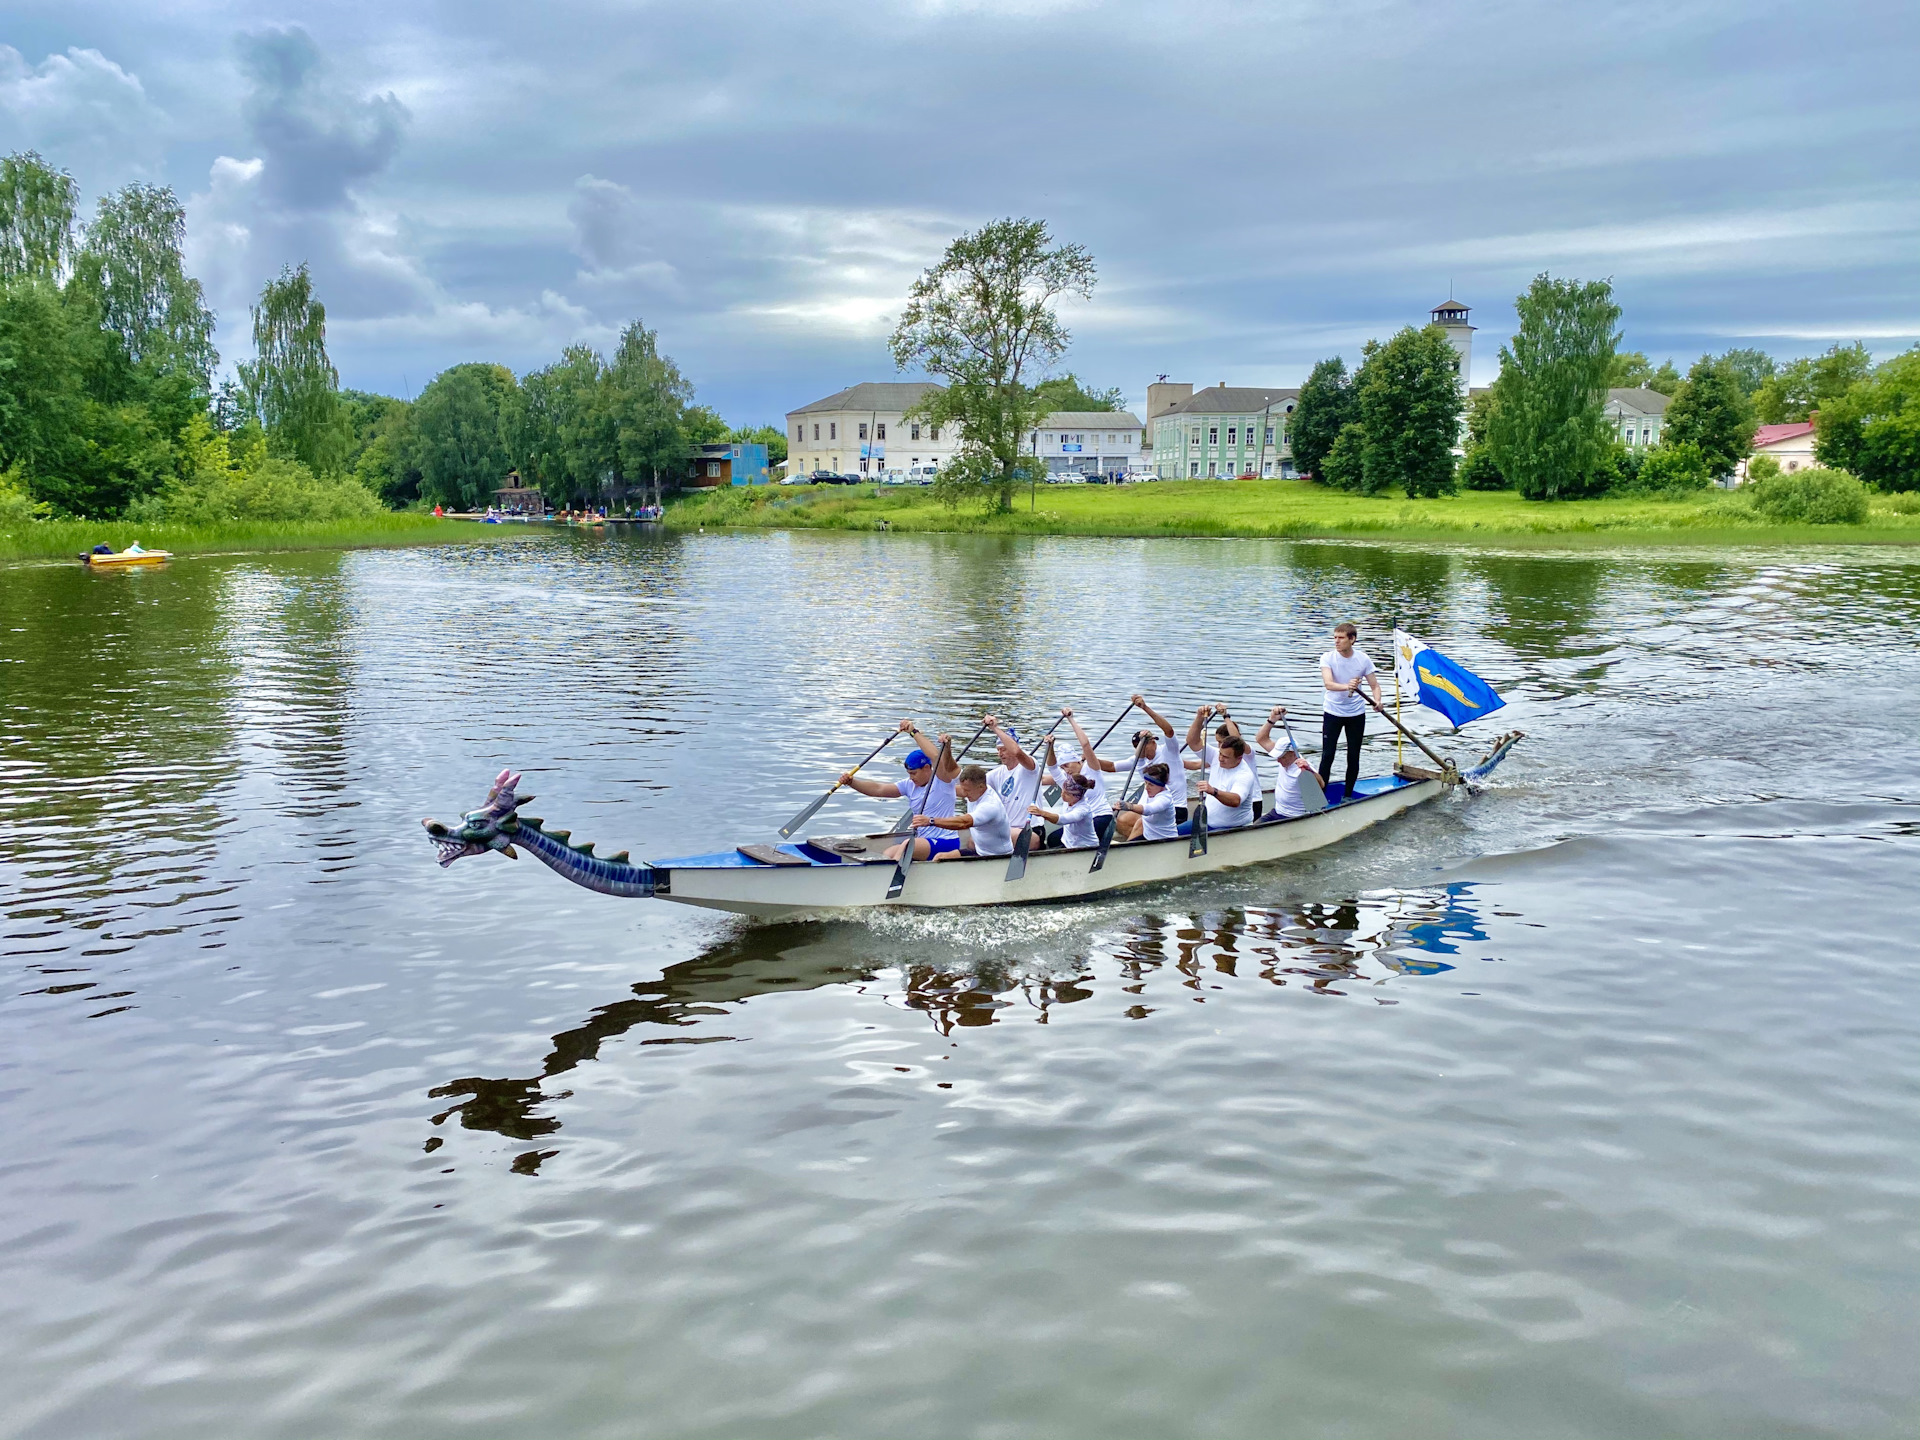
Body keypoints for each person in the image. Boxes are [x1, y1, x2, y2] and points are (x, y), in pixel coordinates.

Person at [836, 719, 960, 862]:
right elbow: (878, 789)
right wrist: (852, 782)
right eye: (909, 773)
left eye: (913, 773)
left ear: (926, 768)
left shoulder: (942, 781)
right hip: (923, 841)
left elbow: (935, 757)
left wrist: (914, 732)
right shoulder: (909, 784)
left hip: (946, 841)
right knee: (888, 852)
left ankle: (891, 877)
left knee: (907, 845)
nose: (911, 777)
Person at [1320, 621, 1383, 799]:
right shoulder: (1328, 657)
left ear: (1352, 639)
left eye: (1341, 638)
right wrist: (1347, 686)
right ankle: (1319, 797)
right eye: (1335, 638)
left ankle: (1347, 796)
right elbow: (1328, 684)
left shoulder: (1362, 659)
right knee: (1327, 755)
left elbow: (1375, 685)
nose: (1336, 641)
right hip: (1332, 712)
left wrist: (1377, 701)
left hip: (1356, 714)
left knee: (1353, 756)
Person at [1186, 704, 1257, 831]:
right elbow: (1193, 742)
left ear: (1239, 758)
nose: (1220, 759)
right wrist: (1199, 717)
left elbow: (1236, 800)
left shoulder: (1244, 775)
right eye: (1220, 753)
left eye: (1225, 757)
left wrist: (1213, 791)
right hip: (1207, 822)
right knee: (1173, 833)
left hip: (1232, 828)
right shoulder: (1215, 756)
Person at [918, 765, 1013, 858]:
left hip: (998, 857)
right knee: (940, 857)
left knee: (943, 858)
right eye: (963, 789)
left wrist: (930, 821)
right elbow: (952, 767)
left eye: (967, 790)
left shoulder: (990, 805)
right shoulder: (976, 790)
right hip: (980, 852)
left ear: (980, 787)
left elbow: (964, 822)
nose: (964, 794)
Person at [982, 714, 1044, 850]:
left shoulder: (1030, 767)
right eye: (998, 750)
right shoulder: (995, 774)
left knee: (990, 838)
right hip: (1008, 830)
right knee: (971, 841)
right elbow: (970, 787)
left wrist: (995, 728)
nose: (1000, 753)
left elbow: (1016, 751)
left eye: (1004, 749)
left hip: (1031, 829)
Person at [1054, 709, 1117, 845]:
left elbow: (1085, 744)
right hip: (1081, 818)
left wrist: (1071, 719)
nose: (1066, 770)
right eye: (1062, 767)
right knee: (1053, 840)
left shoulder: (1091, 767)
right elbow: (1048, 773)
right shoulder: (1068, 777)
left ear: (1077, 760)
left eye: (1067, 765)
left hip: (1100, 815)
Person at [1255, 706, 1319, 819]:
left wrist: (1309, 771)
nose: (1278, 760)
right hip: (1277, 811)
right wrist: (1272, 719)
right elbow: (1261, 739)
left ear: (1292, 753)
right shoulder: (1283, 755)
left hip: (1295, 817)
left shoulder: (1301, 770)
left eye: (1282, 757)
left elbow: (1320, 789)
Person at [1029, 772, 1101, 850]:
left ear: (1077, 796)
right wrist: (1051, 759)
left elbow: (1063, 820)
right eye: (1062, 791)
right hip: (1068, 845)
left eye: (1067, 794)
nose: (1062, 795)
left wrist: (1042, 813)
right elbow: (1053, 769)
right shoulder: (1068, 790)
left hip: (1086, 848)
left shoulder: (1083, 809)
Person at [1113, 761, 1180, 841]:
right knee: (1139, 822)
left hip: (1165, 840)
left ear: (1161, 785)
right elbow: (1140, 763)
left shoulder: (1165, 798)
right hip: (1148, 837)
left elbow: (1149, 809)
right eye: (1146, 783)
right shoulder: (1149, 791)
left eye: (1151, 785)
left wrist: (1129, 806)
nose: (1147, 788)